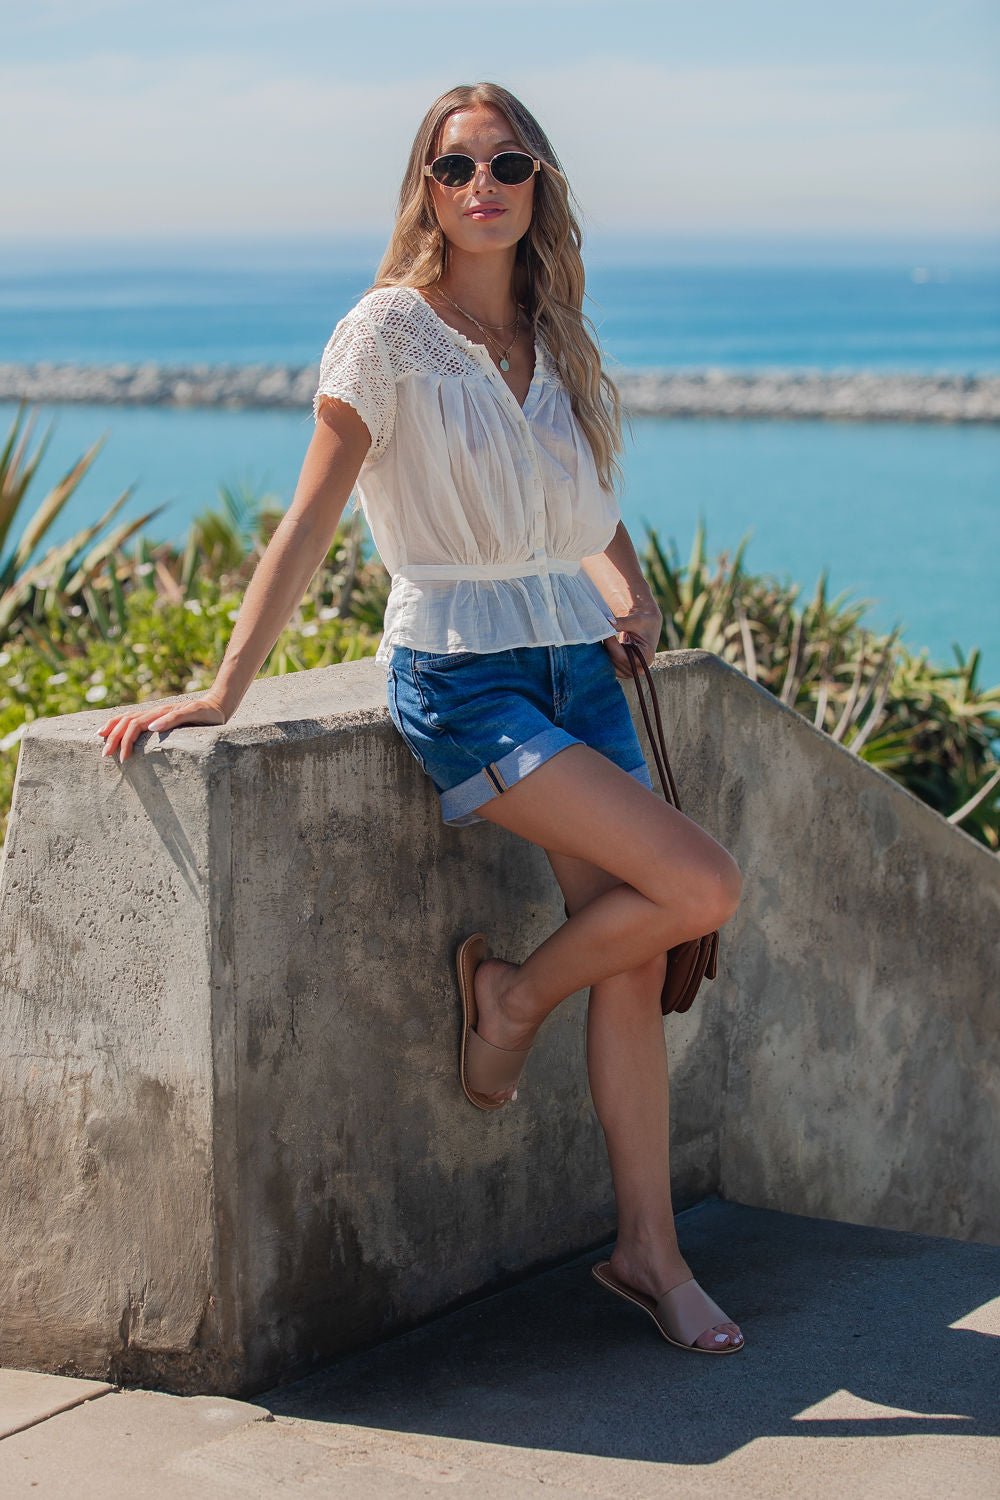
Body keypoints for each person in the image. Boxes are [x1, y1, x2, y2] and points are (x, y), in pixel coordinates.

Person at [97, 82, 744, 1355]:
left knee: (631, 957)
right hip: (464, 675)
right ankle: (504, 1004)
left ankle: (647, 1256)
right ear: (427, 188)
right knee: (700, 885)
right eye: (456, 168)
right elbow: (311, 517)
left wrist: (636, 597)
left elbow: (586, 506)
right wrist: (224, 688)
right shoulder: (387, 334)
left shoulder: (555, 336)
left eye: (507, 164)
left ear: (539, 183)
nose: (482, 185)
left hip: (575, 662)